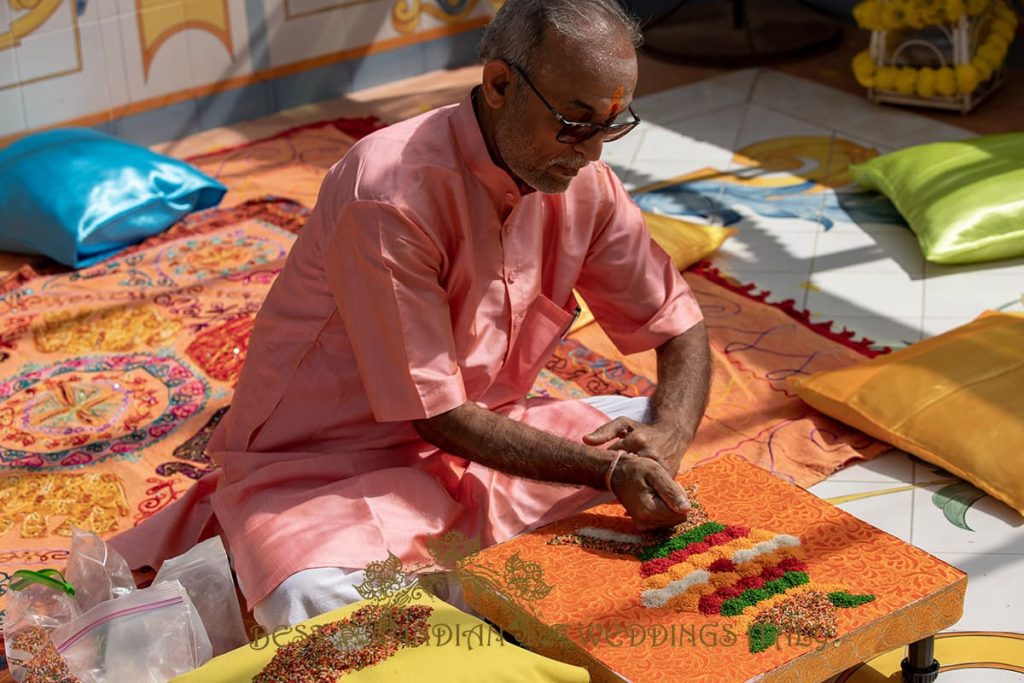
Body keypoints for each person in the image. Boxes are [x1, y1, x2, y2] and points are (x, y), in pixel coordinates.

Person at [111, 0, 711, 631]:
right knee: (316, 602)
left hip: (486, 440)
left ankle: (490, 601)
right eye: (574, 122)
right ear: (500, 85)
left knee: (649, 430)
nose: (591, 153)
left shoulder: (585, 181)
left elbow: (678, 321)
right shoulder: (390, 192)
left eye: (610, 127)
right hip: (327, 470)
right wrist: (607, 472)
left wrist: (667, 434)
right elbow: (436, 415)